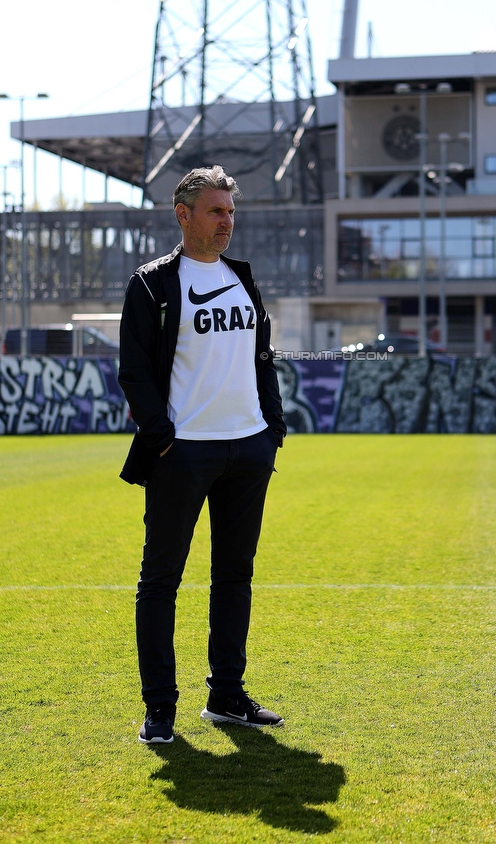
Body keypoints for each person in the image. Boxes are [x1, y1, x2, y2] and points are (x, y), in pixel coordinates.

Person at [118, 165, 286, 744]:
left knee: (234, 575)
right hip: (182, 451)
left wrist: (272, 428)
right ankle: (160, 708)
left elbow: (261, 356)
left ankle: (227, 698)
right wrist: (163, 434)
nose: (227, 223)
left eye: (231, 212)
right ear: (182, 214)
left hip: (248, 446)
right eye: (215, 211)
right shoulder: (152, 284)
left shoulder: (242, 276)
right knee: (161, 579)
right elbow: (134, 371)